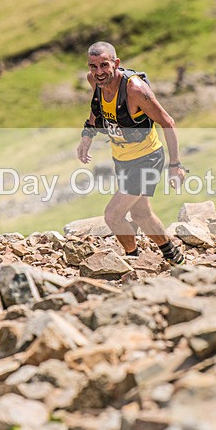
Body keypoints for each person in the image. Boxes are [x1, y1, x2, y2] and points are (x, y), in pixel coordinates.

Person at [77, 41, 186, 265]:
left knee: (113, 215)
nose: (98, 72)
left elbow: (168, 122)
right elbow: (96, 108)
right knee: (141, 214)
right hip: (122, 158)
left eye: (104, 65)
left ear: (116, 63)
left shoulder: (135, 90)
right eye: (93, 66)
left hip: (147, 159)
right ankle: (173, 256)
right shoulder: (94, 82)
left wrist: (175, 165)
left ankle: (133, 260)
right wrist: (87, 136)